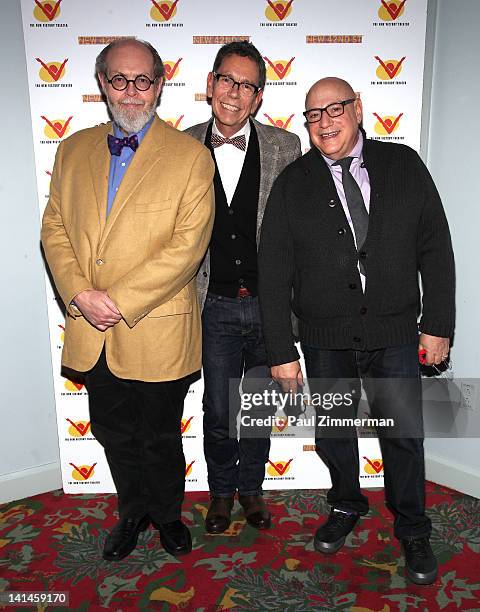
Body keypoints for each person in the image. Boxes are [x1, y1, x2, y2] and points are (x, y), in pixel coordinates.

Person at [258, 77, 455, 584]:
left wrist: (437, 325)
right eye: (313, 115)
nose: (324, 122)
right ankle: (346, 503)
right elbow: (274, 270)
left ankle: (412, 526)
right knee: (335, 432)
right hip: (325, 340)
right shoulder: (294, 181)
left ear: (359, 109)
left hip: (394, 334)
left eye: (335, 109)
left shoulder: (403, 165)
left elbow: (436, 247)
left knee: (403, 436)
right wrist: (282, 350)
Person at [41, 38, 214, 561]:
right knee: (113, 432)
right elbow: (54, 228)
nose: (131, 91)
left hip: (156, 327)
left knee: (160, 436)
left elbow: (188, 246)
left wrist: (113, 300)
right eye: (119, 79)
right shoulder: (72, 149)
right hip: (91, 331)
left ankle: (166, 516)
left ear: (159, 85)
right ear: (102, 84)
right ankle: (132, 511)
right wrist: (77, 293)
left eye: (142, 80)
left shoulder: (190, 156)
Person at [185, 41, 302, 534]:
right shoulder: (182, 145)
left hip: (269, 305)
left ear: (258, 98)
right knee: (217, 406)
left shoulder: (285, 146)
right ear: (211, 84)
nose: (235, 93)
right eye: (227, 81)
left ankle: (252, 491)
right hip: (211, 304)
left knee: (257, 404)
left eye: (247, 85)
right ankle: (221, 494)